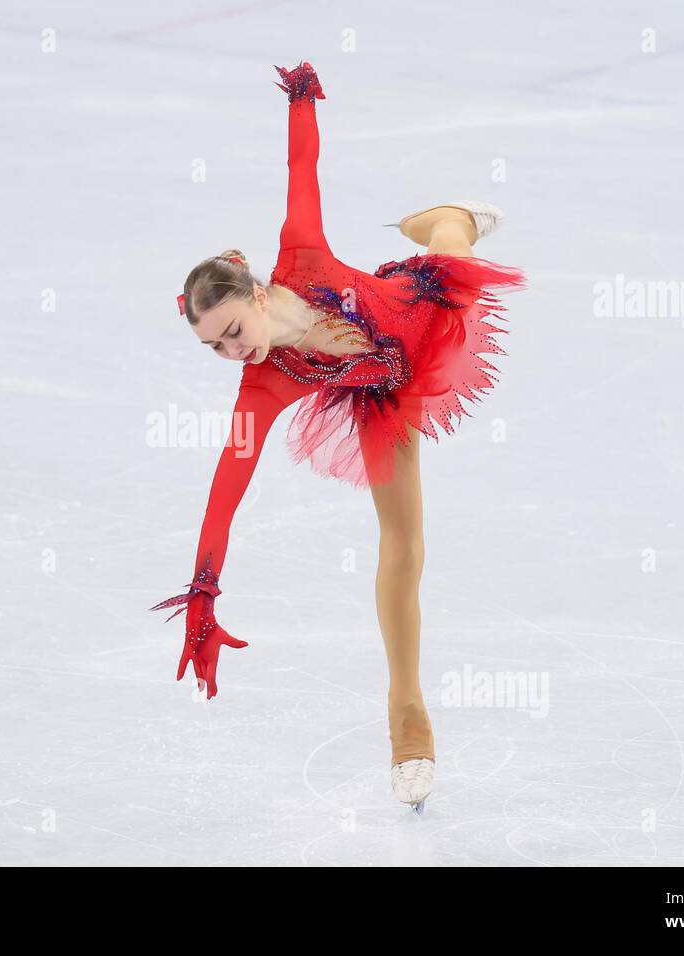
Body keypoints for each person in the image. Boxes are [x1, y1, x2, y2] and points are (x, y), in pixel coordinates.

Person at [150, 61, 526, 813]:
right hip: (384, 391)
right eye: (215, 348)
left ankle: (441, 217)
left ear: (257, 293)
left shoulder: (302, 251)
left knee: (455, 254)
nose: (232, 353)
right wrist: (203, 593)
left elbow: (301, 164)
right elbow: (226, 488)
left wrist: (300, 98)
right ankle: (408, 721)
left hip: (417, 312)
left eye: (232, 332)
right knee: (406, 549)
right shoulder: (264, 385)